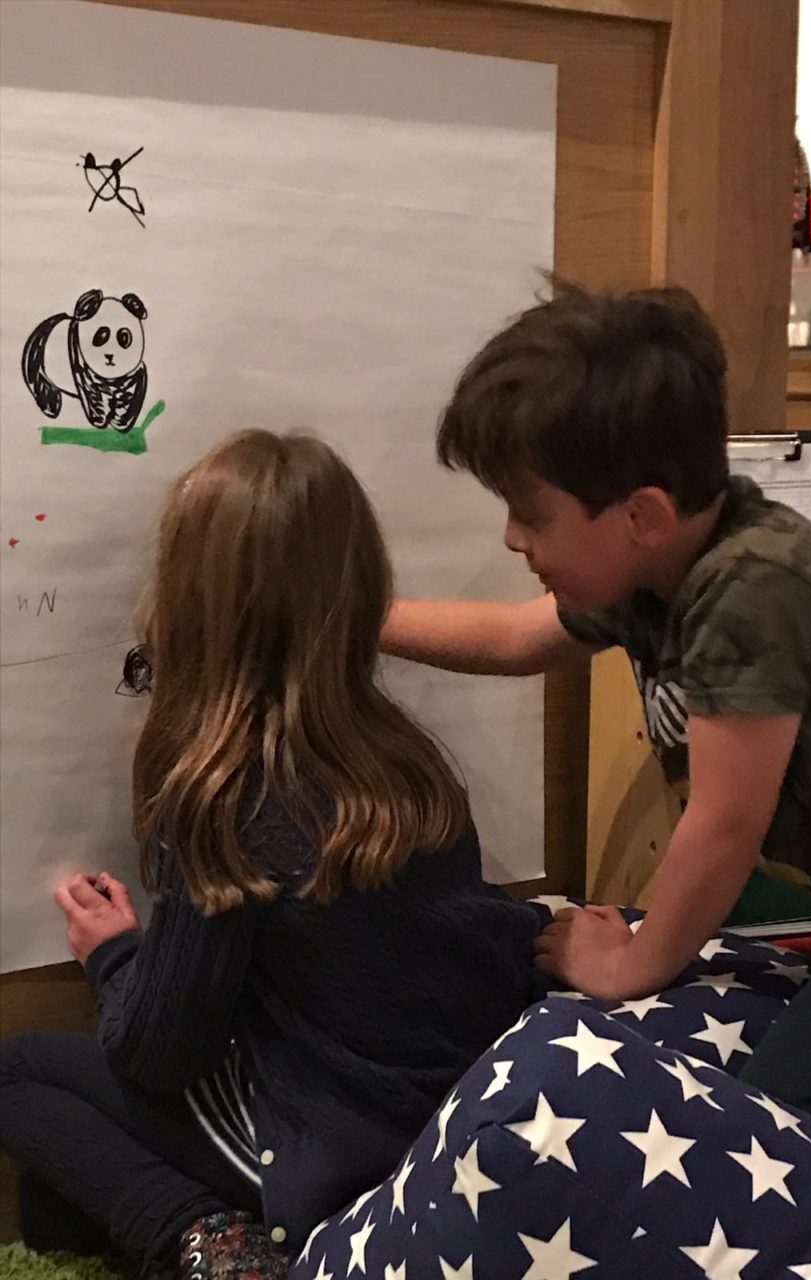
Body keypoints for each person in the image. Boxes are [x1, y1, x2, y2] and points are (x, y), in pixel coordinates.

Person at [381, 283, 811, 1183]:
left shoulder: (749, 587)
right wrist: (360, 617)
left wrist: (631, 963)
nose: (510, 538)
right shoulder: (653, 576)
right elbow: (513, 639)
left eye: (530, 514)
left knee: (801, 1108)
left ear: (641, 515)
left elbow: (724, 824)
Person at [0, 430, 545, 1273]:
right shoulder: (408, 760)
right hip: (440, 1116)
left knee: (15, 1071)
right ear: (363, 586)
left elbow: (160, 1051)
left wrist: (113, 956)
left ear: (187, 599)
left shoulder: (221, 795)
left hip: (318, 1138)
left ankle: (208, 1242)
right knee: (53, 1204)